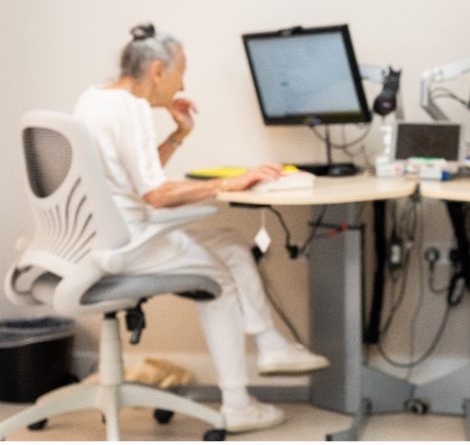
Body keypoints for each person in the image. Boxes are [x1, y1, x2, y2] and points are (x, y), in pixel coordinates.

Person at [73, 23, 329, 434]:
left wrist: (179, 134)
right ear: (158, 70)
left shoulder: (95, 100)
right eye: (180, 73)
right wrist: (228, 183)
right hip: (128, 243)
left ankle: (271, 345)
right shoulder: (132, 108)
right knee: (220, 278)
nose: (182, 83)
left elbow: (135, 177)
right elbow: (154, 194)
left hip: (96, 237)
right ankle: (238, 404)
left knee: (229, 243)